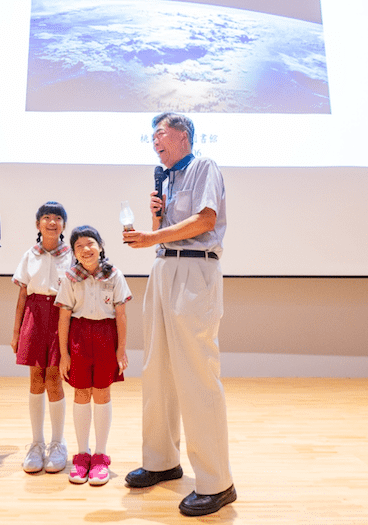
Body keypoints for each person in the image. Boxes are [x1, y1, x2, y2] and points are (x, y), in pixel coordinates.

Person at [122, 112, 236, 517]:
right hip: (163, 267)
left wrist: (153, 235)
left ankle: (216, 482)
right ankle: (160, 461)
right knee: (157, 368)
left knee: (196, 371)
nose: (155, 141)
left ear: (183, 136)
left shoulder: (204, 166)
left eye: (161, 134)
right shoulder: (165, 178)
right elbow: (165, 227)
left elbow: (205, 219)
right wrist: (154, 220)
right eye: (152, 136)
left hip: (195, 268)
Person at [55, 225, 130, 487]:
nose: (86, 249)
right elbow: (64, 317)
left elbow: (121, 316)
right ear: (74, 253)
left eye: (90, 243)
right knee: (81, 393)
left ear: (100, 246)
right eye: (79, 246)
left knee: (102, 392)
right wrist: (64, 354)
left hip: (106, 337)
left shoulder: (115, 275)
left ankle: (100, 455)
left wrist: (120, 350)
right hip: (79, 336)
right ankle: (82, 454)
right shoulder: (70, 277)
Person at [11, 201, 71, 474]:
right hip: (34, 317)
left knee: (54, 378)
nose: (51, 222)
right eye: (46, 217)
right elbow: (22, 295)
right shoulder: (29, 255)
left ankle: (58, 443)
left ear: (63, 226)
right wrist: (16, 332)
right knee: (36, 377)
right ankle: (36, 443)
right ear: (38, 225)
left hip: (60, 317)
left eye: (57, 218)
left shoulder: (71, 255)